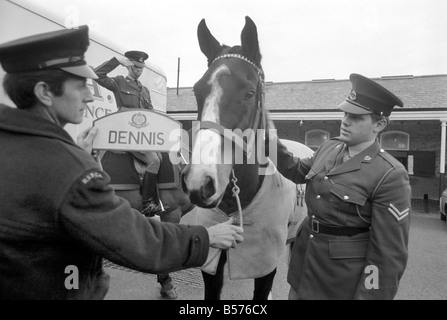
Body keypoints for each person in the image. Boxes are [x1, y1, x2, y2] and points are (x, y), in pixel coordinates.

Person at [0, 25, 244, 300]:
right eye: (81, 85)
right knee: (153, 160)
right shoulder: (71, 169)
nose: (90, 95)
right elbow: (136, 242)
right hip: (125, 137)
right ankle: (151, 201)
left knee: (165, 156)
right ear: (45, 92)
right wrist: (207, 237)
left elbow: (150, 112)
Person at [268, 73, 411, 300]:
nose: (345, 120)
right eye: (345, 113)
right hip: (304, 264)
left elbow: (387, 255)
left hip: (340, 280)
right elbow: (296, 170)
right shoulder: (329, 147)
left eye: (356, 117)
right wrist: (266, 139)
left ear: (380, 124)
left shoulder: (389, 174)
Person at [94, 50, 163, 217]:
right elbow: (96, 74)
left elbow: (150, 111)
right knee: (153, 160)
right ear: (129, 66)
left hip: (142, 134)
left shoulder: (145, 90)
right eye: (136, 67)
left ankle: (156, 197)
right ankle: (148, 203)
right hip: (125, 132)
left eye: (141, 68)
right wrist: (116, 61)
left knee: (161, 156)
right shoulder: (119, 83)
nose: (139, 71)